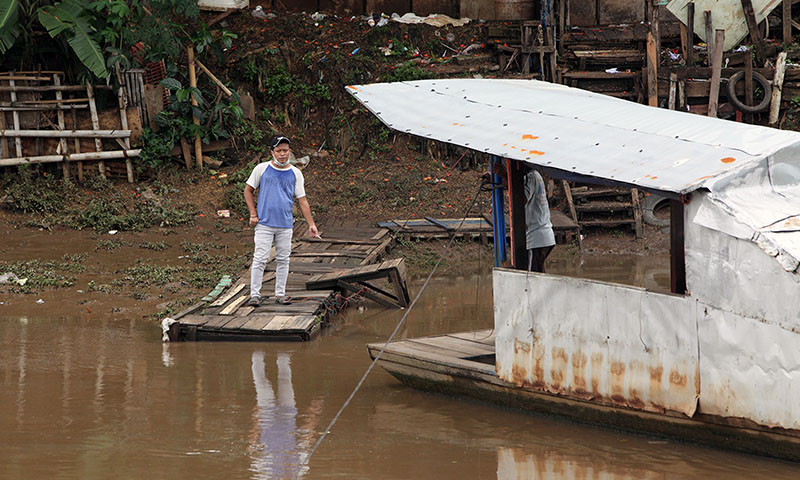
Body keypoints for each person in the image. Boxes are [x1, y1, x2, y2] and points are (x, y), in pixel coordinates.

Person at [244, 135, 318, 306]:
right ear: (272, 152)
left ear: (289, 152)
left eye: (285, 150)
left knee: (283, 259)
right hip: (264, 224)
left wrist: (311, 224)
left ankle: (280, 294)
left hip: (285, 225)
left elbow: (302, 200)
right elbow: (248, 190)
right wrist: (253, 214)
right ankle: (255, 294)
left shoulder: (295, 173)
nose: (282, 154)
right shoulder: (261, 169)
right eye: (279, 151)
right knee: (260, 258)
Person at [524, 168, 555, 272]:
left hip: (536, 235)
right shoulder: (534, 175)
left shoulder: (530, 176)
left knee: (533, 277)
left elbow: (521, 198)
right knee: (538, 274)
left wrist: (503, 176)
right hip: (542, 233)